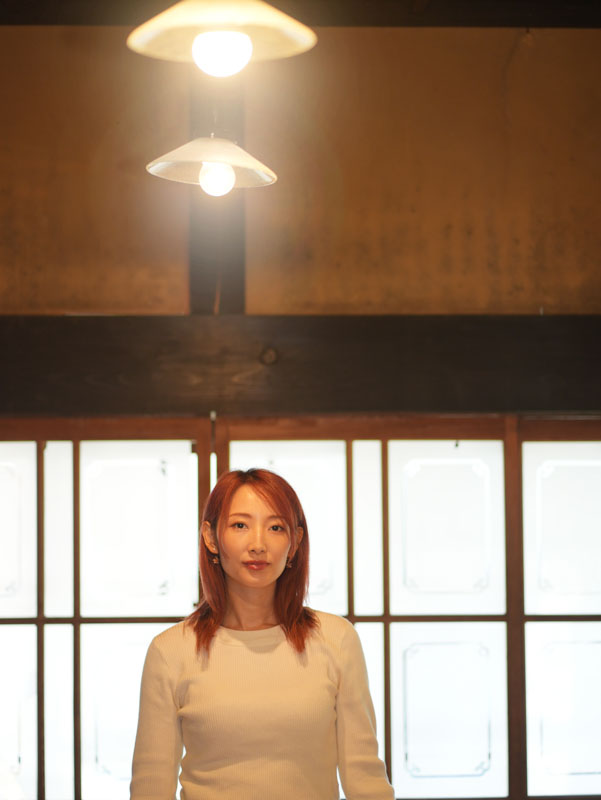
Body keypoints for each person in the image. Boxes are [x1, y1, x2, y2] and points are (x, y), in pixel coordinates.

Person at [130, 468, 394, 800]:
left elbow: (366, 780)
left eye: (275, 527)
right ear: (210, 537)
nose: (258, 545)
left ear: (295, 541)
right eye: (240, 525)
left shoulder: (336, 639)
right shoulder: (170, 651)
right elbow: (150, 787)